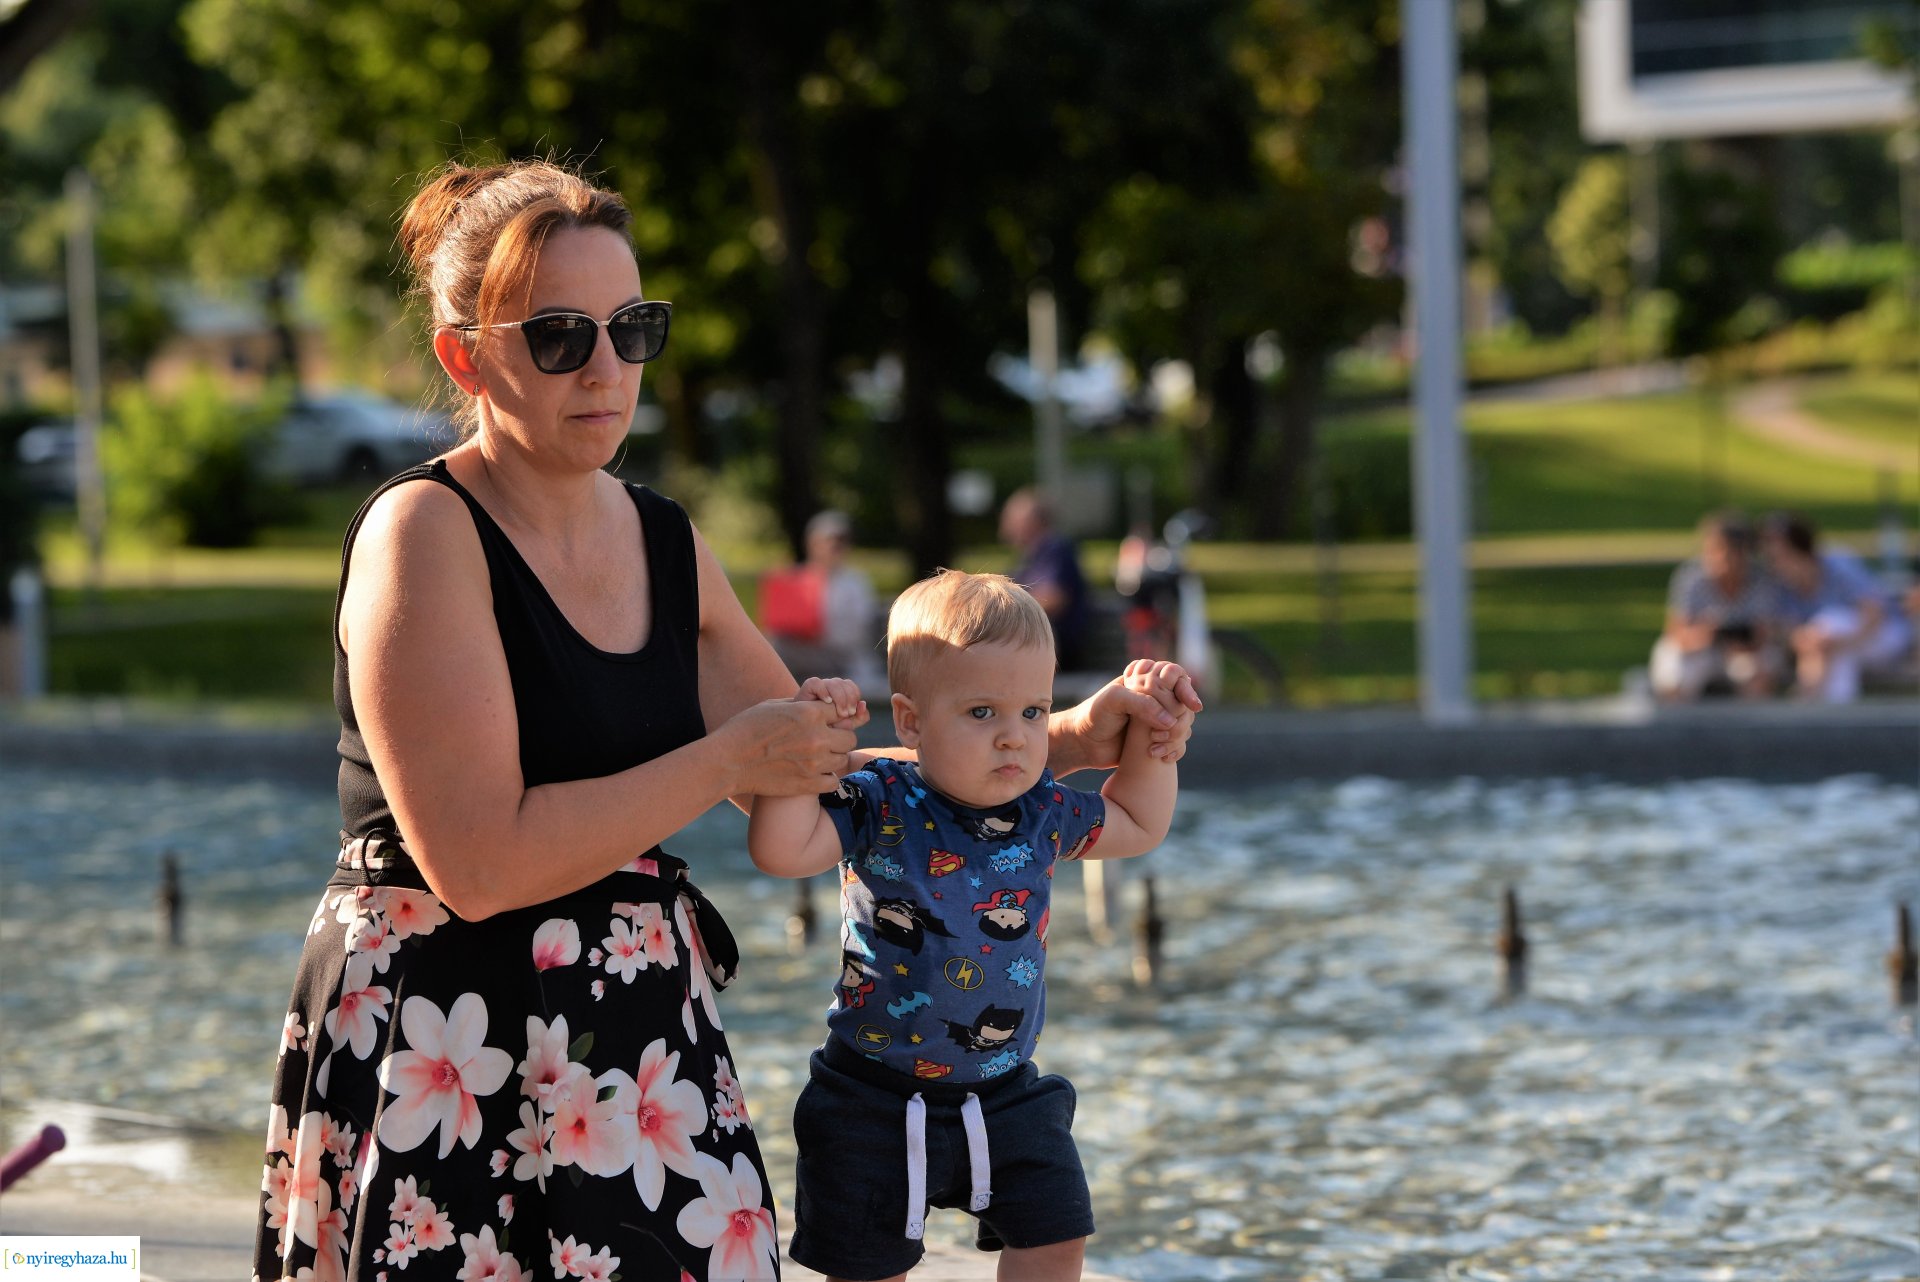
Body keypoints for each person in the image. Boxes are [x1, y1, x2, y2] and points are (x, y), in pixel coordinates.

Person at [254, 158, 1200, 1282]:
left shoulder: (663, 540)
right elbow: (476, 860)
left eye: (631, 328)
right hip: (444, 1042)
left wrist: (1075, 736)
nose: (607, 367)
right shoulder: (426, 531)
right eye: (559, 336)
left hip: (633, 1044)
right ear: (466, 354)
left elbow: (814, 762)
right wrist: (722, 760)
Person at [746, 570, 1195, 1282]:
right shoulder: (879, 801)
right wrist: (808, 751)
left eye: (1032, 711)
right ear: (912, 721)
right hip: (872, 1095)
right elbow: (781, 849)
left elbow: (1138, 821)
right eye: (982, 713)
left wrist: (1156, 740)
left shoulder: (1043, 810)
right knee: (866, 1265)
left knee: (1055, 1233)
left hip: (1005, 1090)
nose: (1016, 739)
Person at [1761, 511, 1915, 703]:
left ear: (1802, 551)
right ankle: (1832, 719)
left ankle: (1808, 705)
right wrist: (1808, 640)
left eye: (1781, 557)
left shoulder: (1837, 564)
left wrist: (1837, 641)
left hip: (1885, 635)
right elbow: (1786, 630)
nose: (1775, 565)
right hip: (1829, 650)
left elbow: (1875, 615)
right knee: (1832, 647)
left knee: (1831, 623)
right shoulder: (1780, 584)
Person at [1649, 511, 1783, 701]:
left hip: (1745, 653)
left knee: (1761, 667)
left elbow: (1766, 632)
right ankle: (1676, 725)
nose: (1716, 559)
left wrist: (1739, 640)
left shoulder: (1761, 580)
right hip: (1700, 650)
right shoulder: (1691, 577)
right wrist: (1705, 635)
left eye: (1724, 551)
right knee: (1674, 667)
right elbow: (1675, 632)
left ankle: (1751, 726)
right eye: (1710, 550)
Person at [761, 508, 884, 692]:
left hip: (843, 661)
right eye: (830, 541)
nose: (835, 547)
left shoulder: (855, 582)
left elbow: (859, 632)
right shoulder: (795, 579)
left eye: (841, 542)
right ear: (812, 543)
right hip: (800, 656)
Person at [1000, 487, 1090, 670]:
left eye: (1011, 519)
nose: (1006, 526)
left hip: (1057, 649)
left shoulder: (1055, 549)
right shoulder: (1030, 554)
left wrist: (1003, 614)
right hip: (1038, 646)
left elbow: (1054, 598)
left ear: (1032, 522)